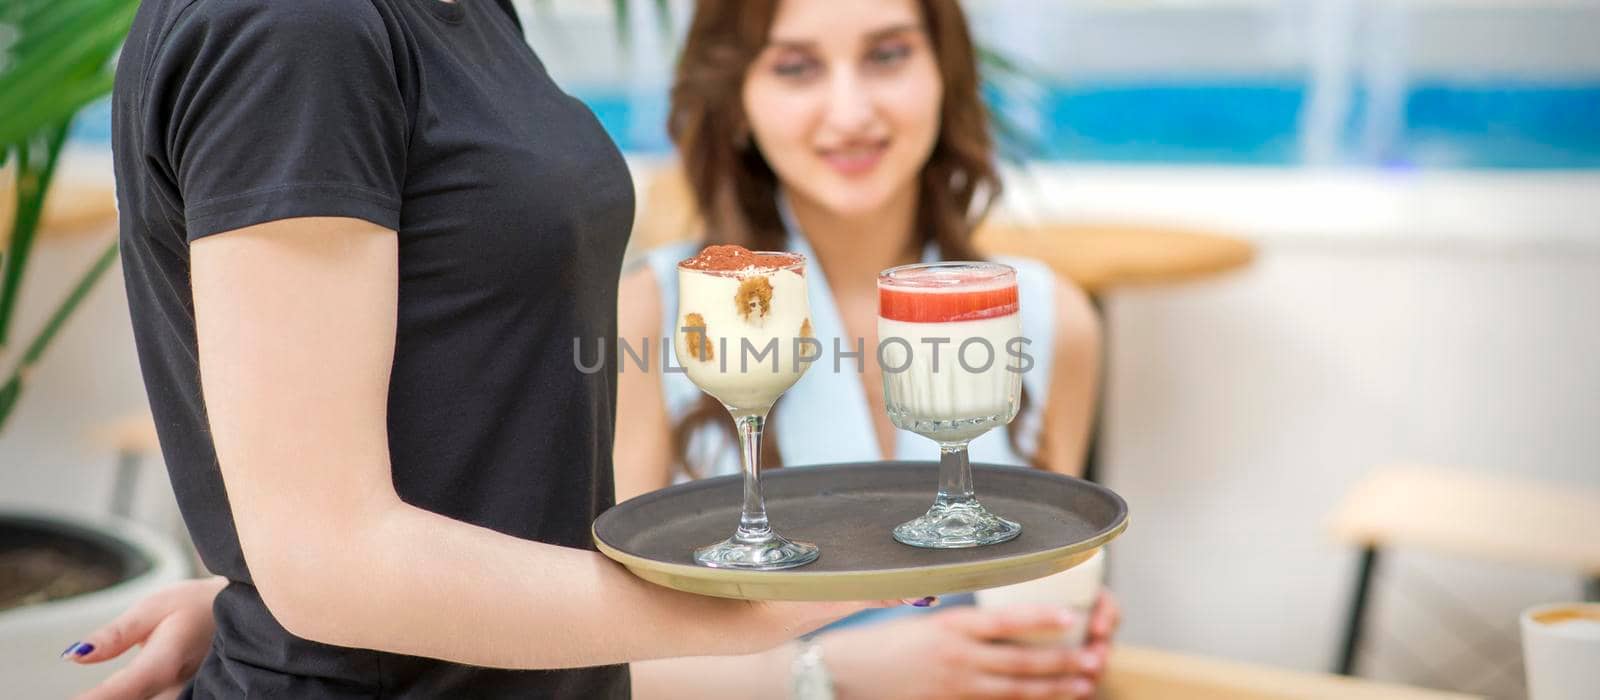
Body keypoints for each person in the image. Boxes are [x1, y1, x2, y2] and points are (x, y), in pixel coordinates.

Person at [75, 1, 1116, 698]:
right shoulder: (296, 26)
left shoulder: (465, 15)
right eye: (795, 67)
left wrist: (255, 591)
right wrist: (807, 640)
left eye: (889, 53)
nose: (849, 108)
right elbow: (332, 555)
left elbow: (443, 461)